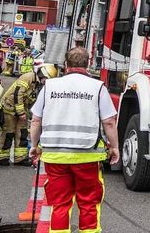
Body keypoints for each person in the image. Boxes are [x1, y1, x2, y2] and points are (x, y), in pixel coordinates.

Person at [29, 47, 119, 233]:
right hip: (87, 156)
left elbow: (36, 120)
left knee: (60, 204)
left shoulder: (50, 86)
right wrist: (115, 147)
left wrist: (34, 145)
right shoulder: (97, 87)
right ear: (88, 63)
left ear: (65, 64)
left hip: (55, 156)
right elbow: (109, 122)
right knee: (88, 203)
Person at [0, 63, 57, 166]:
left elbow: (33, 100)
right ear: (43, 75)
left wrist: (31, 114)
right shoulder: (28, 77)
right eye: (47, 80)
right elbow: (18, 94)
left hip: (22, 110)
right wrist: (21, 112)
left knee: (22, 133)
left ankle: (20, 158)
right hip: (9, 108)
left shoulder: (39, 84)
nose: (47, 83)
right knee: (8, 133)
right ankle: (3, 157)